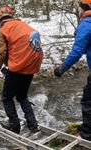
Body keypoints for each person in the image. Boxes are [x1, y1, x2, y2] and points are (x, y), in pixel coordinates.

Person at [0, 6, 43, 134]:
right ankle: (33, 125)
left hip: (18, 66)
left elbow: (1, 52)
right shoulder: (23, 26)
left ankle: (14, 126)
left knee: (6, 97)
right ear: (11, 15)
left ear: (0, 19)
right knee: (22, 96)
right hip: (31, 65)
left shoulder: (3, 30)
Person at [54, 0, 91, 141]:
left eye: (79, 7)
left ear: (85, 7)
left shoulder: (87, 24)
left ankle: (86, 135)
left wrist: (62, 68)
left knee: (88, 101)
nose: (78, 10)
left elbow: (77, 52)